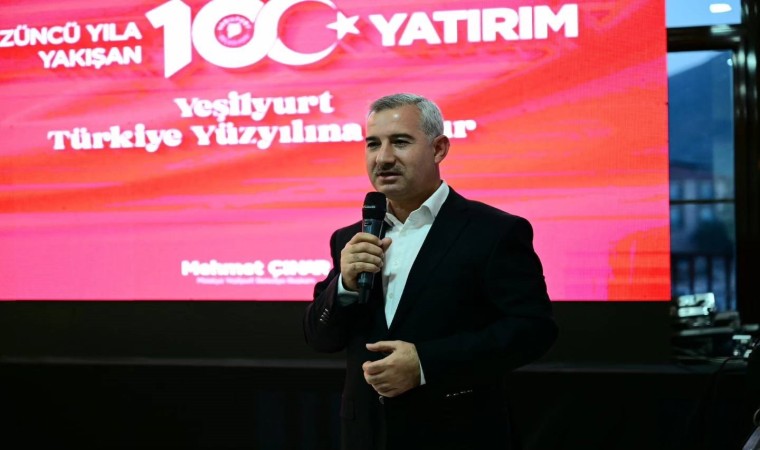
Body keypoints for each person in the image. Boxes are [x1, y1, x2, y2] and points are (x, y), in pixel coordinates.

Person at [303, 93, 558, 450]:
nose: (383, 157)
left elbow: (533, 329)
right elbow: (320, 339)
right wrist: (343, 286)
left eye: (400, 142)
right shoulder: (350, 238)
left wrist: (426, 363)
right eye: (373, 144)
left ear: (439, 149)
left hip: (457, 433)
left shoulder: (494, 232)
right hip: (366, 435)